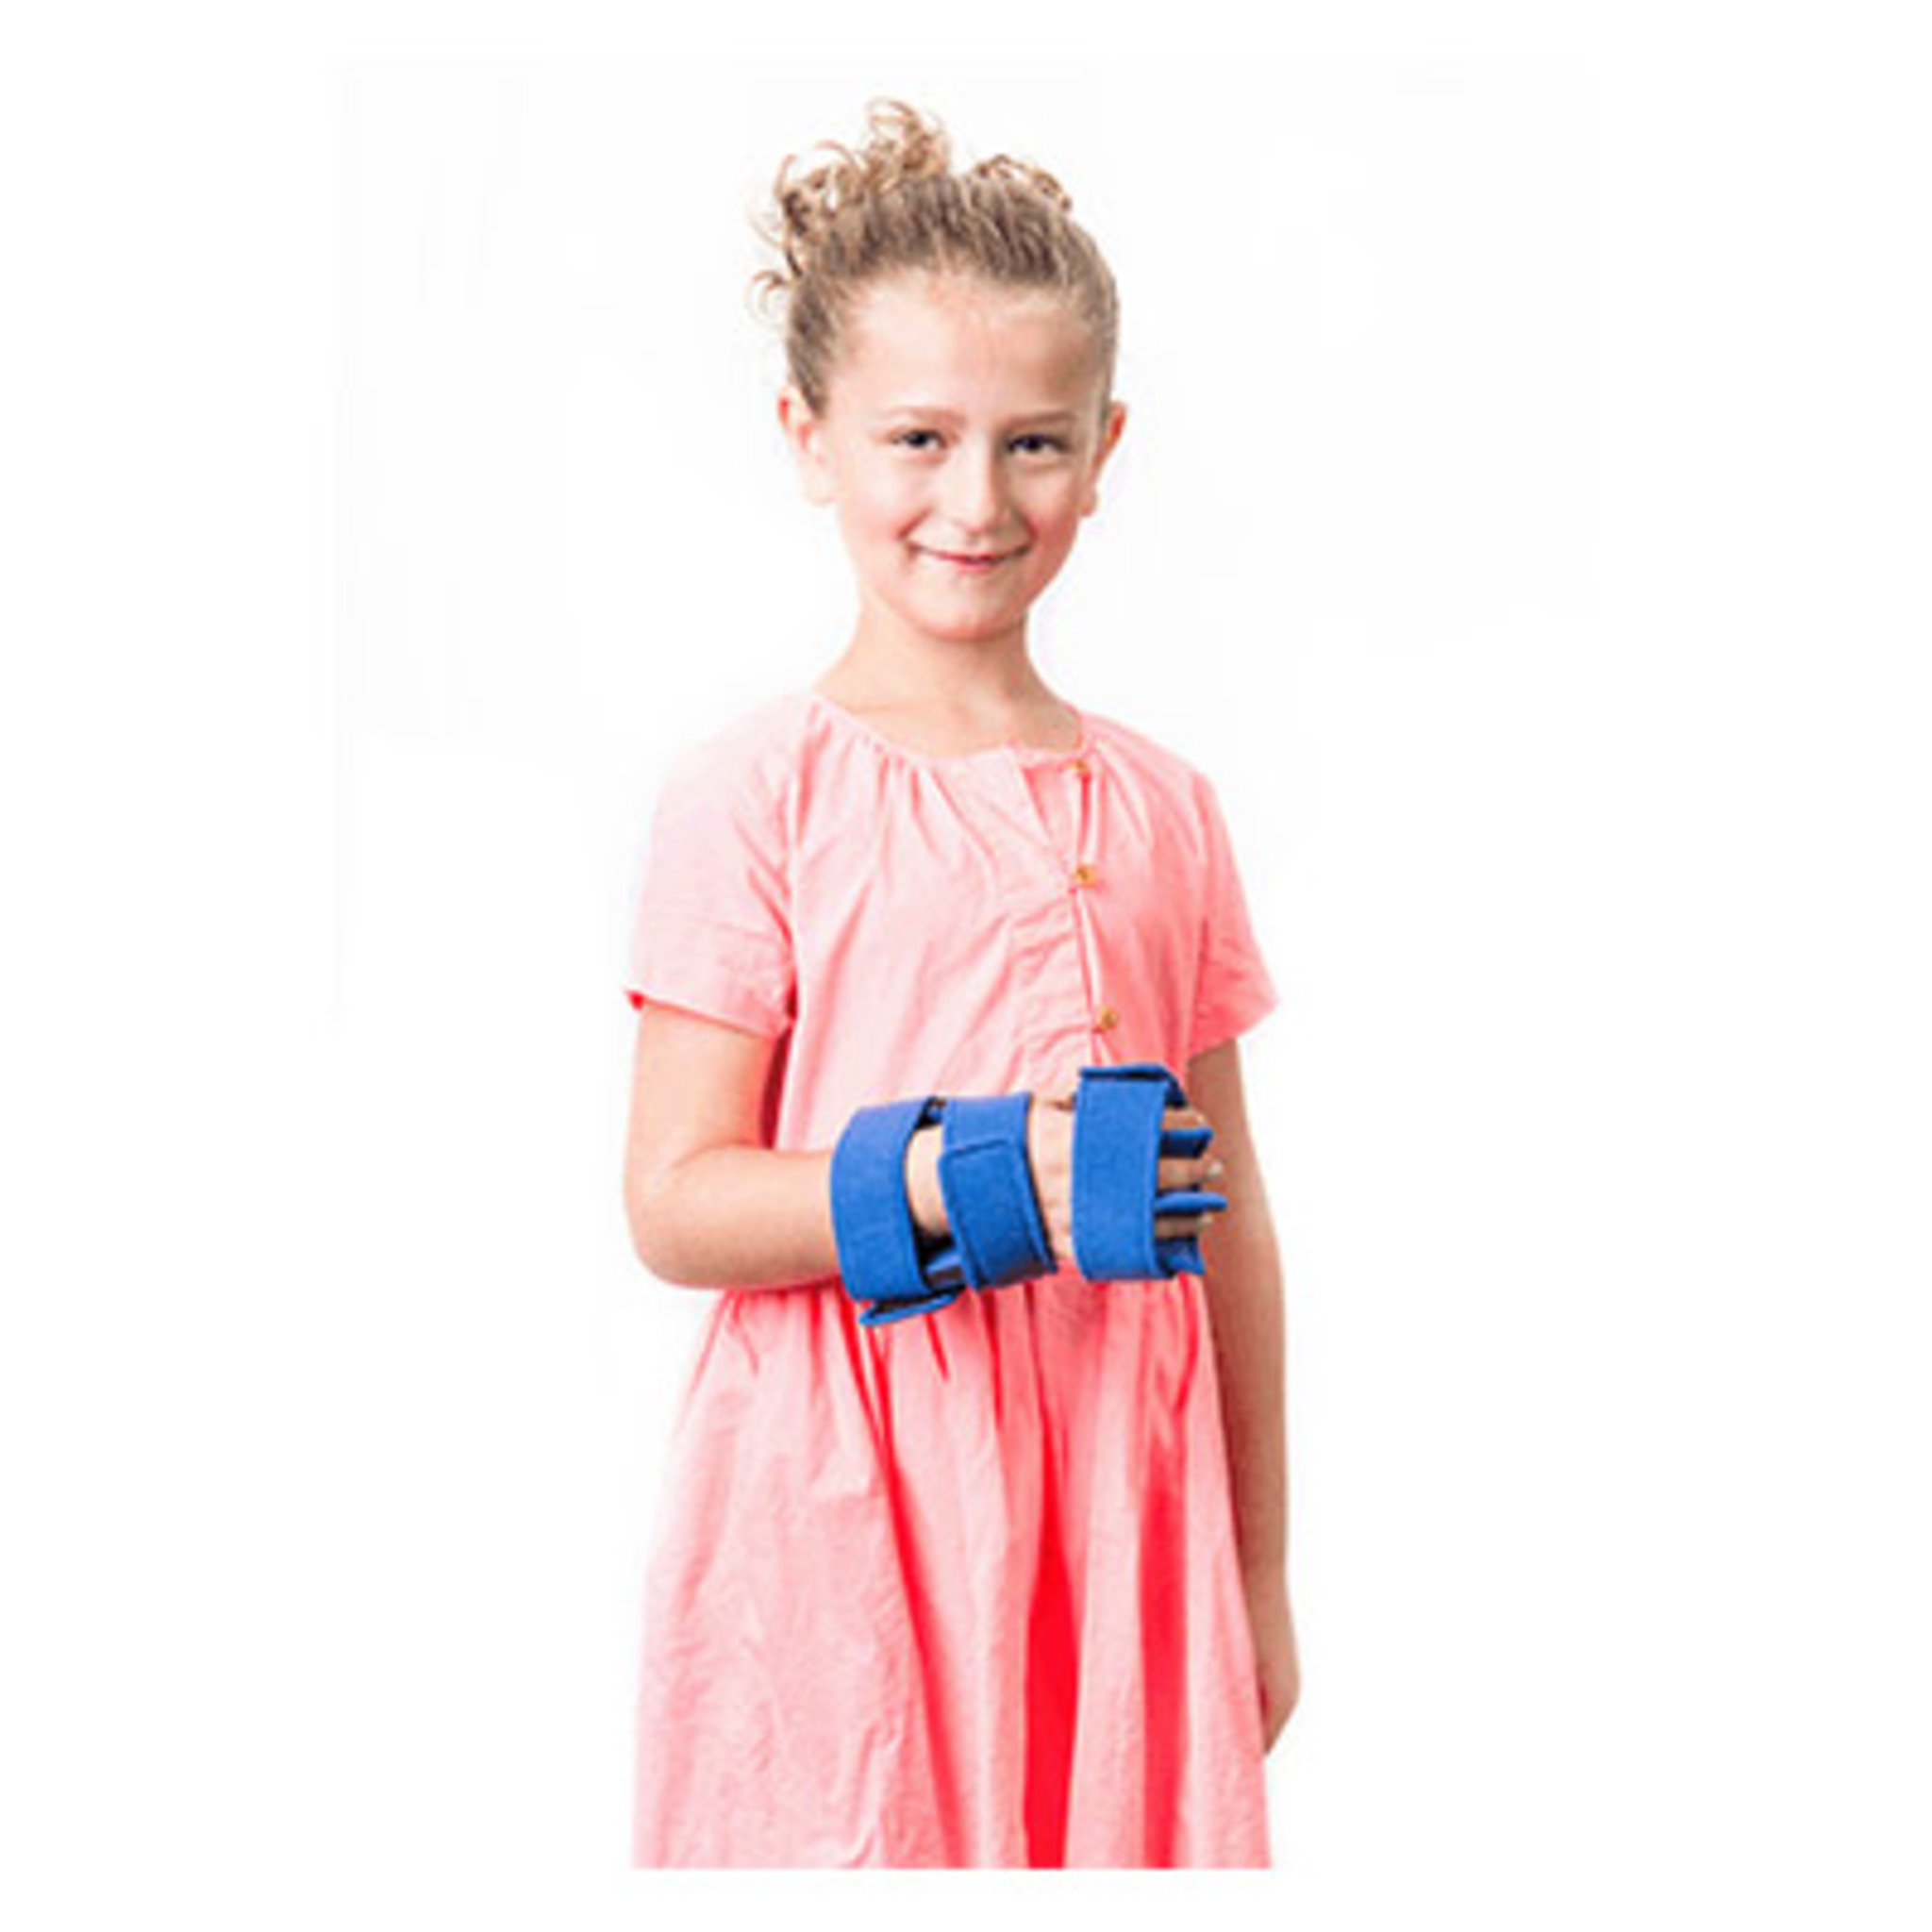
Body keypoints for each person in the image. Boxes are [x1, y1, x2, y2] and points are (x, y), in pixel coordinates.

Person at [619, 97, 1299, 1869]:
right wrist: (977, 1175)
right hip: (845, 1508)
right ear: (810, 437)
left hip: (1120, 1505)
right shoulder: (754, 792)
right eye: (918, 437)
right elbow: (676, 1201)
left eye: (1035, 442)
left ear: (1107, 445)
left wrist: (1258, 1569)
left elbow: (1230, 1218)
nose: (977, 500)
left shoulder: (1166, 806)